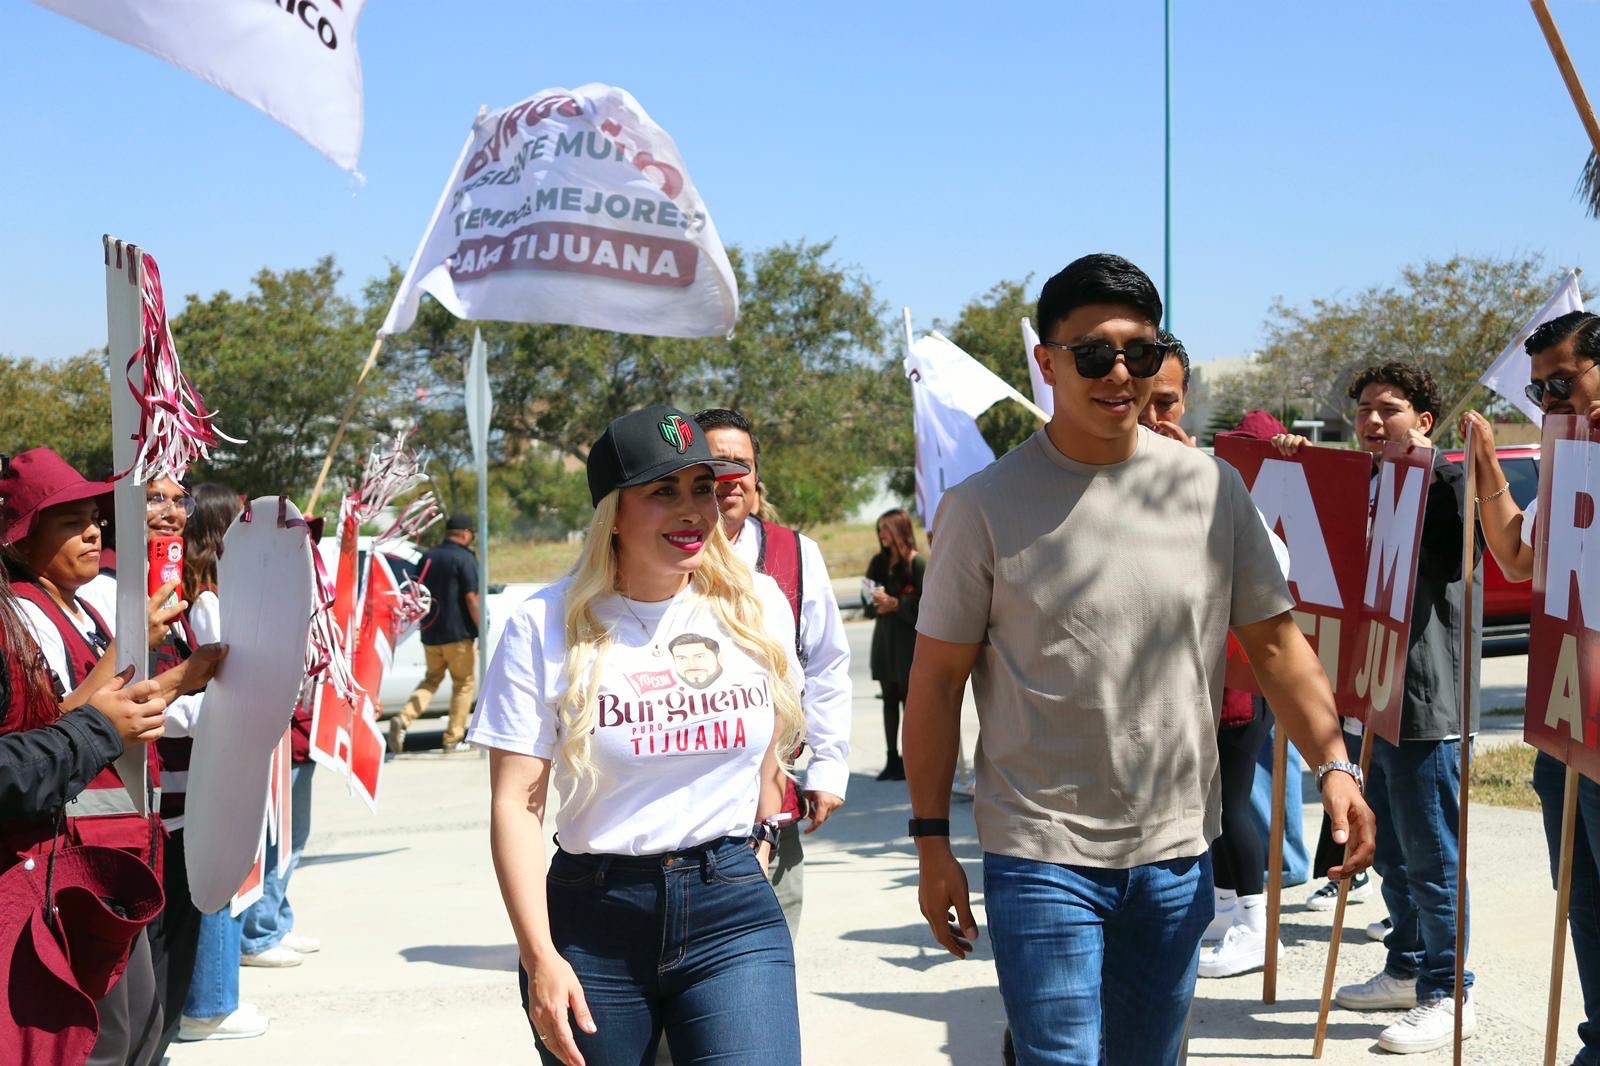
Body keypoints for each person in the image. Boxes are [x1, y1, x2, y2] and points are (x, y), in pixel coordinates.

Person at [902, 253, 1374, 1065]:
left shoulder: (1212, 489)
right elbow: (937, 685)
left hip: (1176, 856)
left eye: (1139, 353)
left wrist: (1336, 766)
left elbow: (1275, 646)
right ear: (1048, 363)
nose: (1119, 372)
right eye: (1093, 353)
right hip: (1040, 854)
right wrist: (932, 842)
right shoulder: (980, 508)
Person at [470, 404, 804, 1065]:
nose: (693, 511)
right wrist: (540, 959)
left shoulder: (757, 606)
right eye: (663, 492)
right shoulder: (543, 625)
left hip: (732, 910)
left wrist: (760, 841)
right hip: (593, 925)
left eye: (703, 489)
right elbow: (515, 804)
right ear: (612, 514)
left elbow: (770, 747)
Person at [1275, 361, 1482, 1054]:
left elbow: (1454, 562)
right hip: (1368, 696)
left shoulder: (1449, 483)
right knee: (1389, 850)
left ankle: (1451, 993)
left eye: (1388, 408)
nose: (1370, 420)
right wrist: (1306, 472)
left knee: (1433, 857)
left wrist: (1415, 481)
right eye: (1362, 408)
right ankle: (1405, 966)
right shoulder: (1361, 481)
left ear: (1423, 420)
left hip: (1425, 701)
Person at [0, 448, 221, 1066]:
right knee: (104, 1035)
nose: (94, 530)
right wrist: (132, 641)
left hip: (121, 843)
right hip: (70, 856)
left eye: (94, 516)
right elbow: (55, 729)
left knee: (144, 1028)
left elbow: (119, 704)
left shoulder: (89, 605)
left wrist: (186, 677)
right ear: (22, 540)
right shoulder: (22, 613)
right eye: (69, 521)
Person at [1460, 310, 1600, 1063]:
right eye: (1538, 391)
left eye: (1563, 383)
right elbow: (1516, 556)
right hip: (1567, 737)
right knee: (1584, 907)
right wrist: (1487, 470)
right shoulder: (1571, 467)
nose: (1550, 403)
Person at [693, 407, 852, 938]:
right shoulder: (656, 559)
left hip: (775, 800)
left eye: (742, 463)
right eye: (716, 463)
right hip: (683, 812)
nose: (730, 477)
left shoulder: (795, 553)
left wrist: (829, 766)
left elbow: (826, 663)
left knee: (768, 958)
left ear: (758, 477)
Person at [391, 514, 480, 755]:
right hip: (458, 635)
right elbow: (472, 597)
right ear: (465, 533)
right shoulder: (465, 558)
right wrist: (481, 626)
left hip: (431, 633)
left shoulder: (427, 556)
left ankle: (404, 717)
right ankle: (453, 738)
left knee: (431, 680)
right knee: (463, 684)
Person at [862, 509, 924, 781]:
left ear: (900, 530)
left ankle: (915, 761)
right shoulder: (878, 562)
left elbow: (929, 604)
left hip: (908, 641)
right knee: (888, 699)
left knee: (910, 702)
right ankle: (891, 759)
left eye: (886, 529)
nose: (881, 535)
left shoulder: (917, 563)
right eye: (879, 530)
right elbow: (866, 601)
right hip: (885, 640)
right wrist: (876, 603)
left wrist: (898, 604)